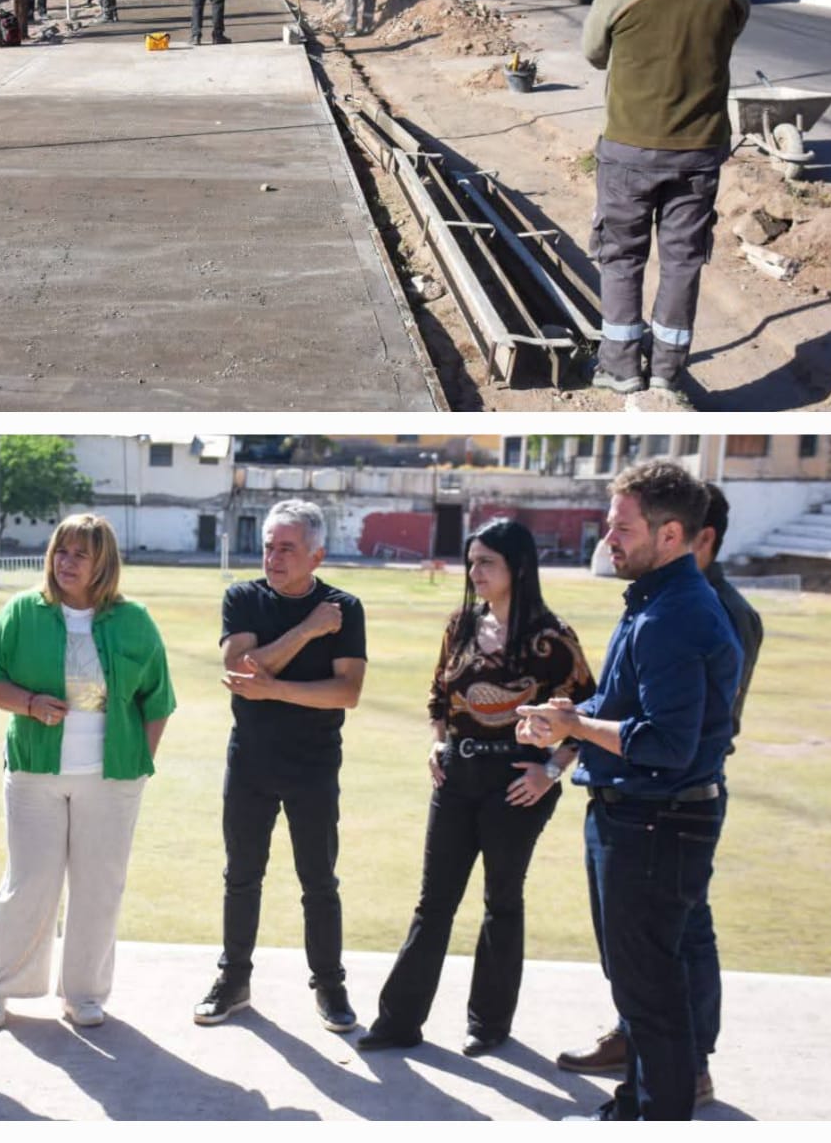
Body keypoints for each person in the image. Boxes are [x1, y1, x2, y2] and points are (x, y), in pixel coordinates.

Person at [517, 461, 742, 1122]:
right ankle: (631, 1112)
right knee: (644, 989)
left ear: (670, 535)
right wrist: (567, 722)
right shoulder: (655, 601)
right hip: (636, 817)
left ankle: (655, 1119)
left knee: (651, 994)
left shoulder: (673, 615)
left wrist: (575, 725)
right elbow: (624, 706)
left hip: (654, 821)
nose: (606, 537)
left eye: (621, 527)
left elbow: (666, 743)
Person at [357, 519, 594, 1056]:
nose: (474, 572)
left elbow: (586, 714)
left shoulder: (552, 639)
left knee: (501, 901)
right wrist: (437, 744)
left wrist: (550, 772)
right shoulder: (461, 625)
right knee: (433, 901)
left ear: (519, 568)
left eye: (487, 562)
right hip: (456, 778)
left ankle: (488, 1025)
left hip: (517, 784)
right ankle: (398, 1022)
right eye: (472, 561)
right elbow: (439, 698)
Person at [0, 514, 175, 1029]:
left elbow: (159, 700)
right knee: (29, 881)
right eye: (61, 551)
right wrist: (30, 702)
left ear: (103, 563)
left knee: (98, 886)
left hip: (111, 779)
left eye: (80, 554)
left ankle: (83, 993)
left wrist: (137, 768)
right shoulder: (23, 611)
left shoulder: (135, 621)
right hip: (35, 773)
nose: (66, 562)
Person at [196, 500, 366, 1031]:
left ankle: (331, 988)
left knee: (319, 881)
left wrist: (277, 689)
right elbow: (241, 670)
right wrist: (308, 632)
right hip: (250, 761)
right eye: (269, 546)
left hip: (315, 766)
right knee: (241, 876)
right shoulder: (244, 598)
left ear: (317, 554)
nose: (273, 557)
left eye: (286, 548)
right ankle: (233, 980)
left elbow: (347, 692)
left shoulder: (345, 607)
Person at [581, 0, 750, 395]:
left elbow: (593, 52)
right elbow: (731, 32)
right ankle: (668, 373)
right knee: (682, 259)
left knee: (622, 255)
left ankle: (621, 368)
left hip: (630, 146)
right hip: (699, 150)